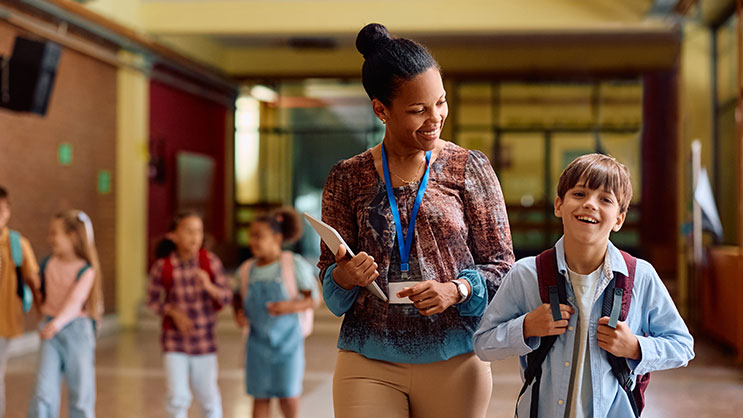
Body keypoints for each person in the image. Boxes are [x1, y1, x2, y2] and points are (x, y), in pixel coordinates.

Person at [317, 23, 514, 418]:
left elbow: (502, 267)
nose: (435, 118)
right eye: (418, 109)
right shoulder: (348, 177)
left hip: (455, 357)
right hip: (367, 359)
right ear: (381, 110)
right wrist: (346, 276)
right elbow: (329, 281)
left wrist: (456, 290)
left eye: (440, 102)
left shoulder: (468, 167)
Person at [473, 153, 695, 418]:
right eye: (579, 194)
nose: (590, 204)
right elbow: (483, 343)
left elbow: (682, 346)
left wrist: (635, 347)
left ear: (619, 220)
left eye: (605, 199)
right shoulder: (526, 273)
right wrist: (527, 327)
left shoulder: (641, 277)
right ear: (559, 205)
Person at [233, 207, 320, 418]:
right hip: (257, 345)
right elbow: (237, 296)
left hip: (288, 345)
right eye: (251, 236)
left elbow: (313, 299)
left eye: (258, 236)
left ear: (277, 238)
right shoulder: (246, 270)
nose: (253, 241)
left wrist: (290, 307)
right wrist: (238, 313)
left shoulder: (293, 265)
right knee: (260, 395)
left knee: (288, 395)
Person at [147, 212, 232, 418]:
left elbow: (227, 297)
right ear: (173, 236)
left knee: (208, 397)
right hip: (174, 343)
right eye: (188, 231)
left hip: (204, 343)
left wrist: (209, 286)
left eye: (199, 231)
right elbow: (152, 301)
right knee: (177, 397)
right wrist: (172, 312)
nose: (195, 237)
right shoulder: (163, 267)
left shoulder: (210, 262)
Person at [27, 210, 104, 418]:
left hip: (77, 331)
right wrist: (33, 285)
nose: (50, 238)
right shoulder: (47, 264)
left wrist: (57, 323)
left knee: (81, 392)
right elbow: (41, 300)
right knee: (43, 391)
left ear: (72, 236)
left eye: (54, 233)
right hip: (50, 331)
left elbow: (75, 301)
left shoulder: (86, 269)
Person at [0, 186, 40, 418]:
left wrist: (43, 313)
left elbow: (33, 280)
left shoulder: (17, 244)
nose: (1, 214)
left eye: (4, 209)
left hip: (4, 321)